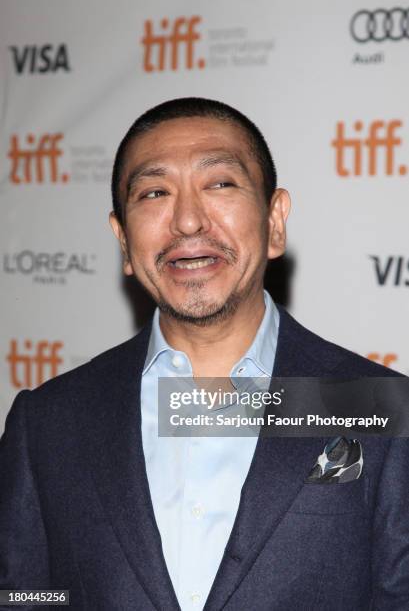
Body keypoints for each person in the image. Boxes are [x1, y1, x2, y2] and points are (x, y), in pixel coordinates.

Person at [1, 97, 408, 610]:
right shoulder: (49, 423)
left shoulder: (377, 405)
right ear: (123, 241)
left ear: (275, 220)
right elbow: (25, 596)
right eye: (154, 192)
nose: (188, 221)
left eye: (219, 184)